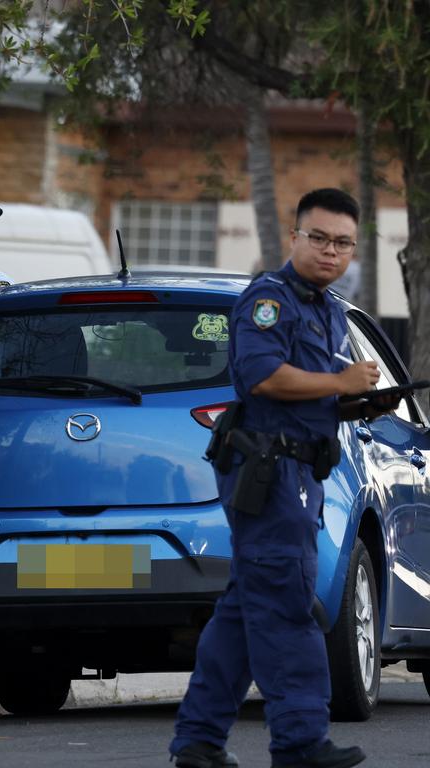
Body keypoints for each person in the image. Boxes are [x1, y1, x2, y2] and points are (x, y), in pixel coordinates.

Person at [168, 188, 399, 768]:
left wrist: (357, 400)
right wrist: (341, 383)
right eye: (318, 238)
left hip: (299, 469)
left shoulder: (328, 307)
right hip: (269, 473)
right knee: (292, 601)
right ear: (293, 237)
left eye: (343, 243)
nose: (330, 251)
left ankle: (198, 740)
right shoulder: (268, 300)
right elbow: (262, 377)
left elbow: (311, 394)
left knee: (246, 609)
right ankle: (300, 743)